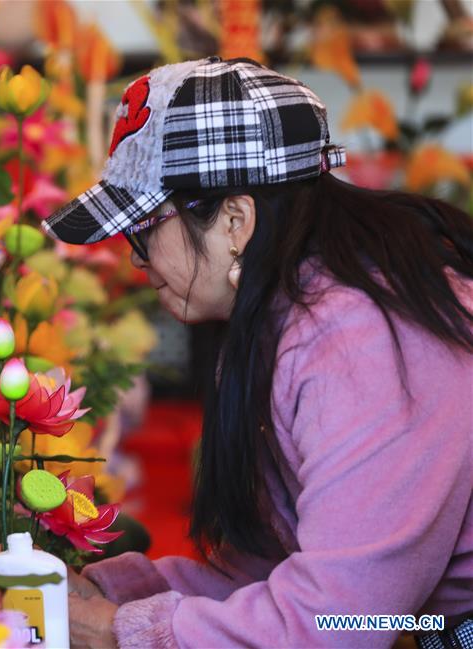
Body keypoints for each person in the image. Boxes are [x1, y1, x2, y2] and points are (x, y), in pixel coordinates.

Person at [42, 57, 473, 648]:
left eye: (143, 231)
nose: (135, 260)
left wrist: (120, 634)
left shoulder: (361, 343)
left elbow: (340, 621)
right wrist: (118, 595)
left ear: (235, 221)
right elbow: (281, 567)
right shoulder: (289, 315)